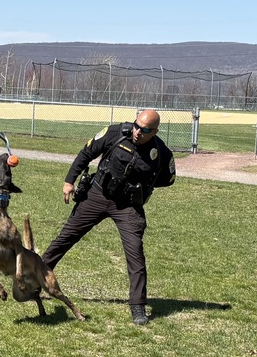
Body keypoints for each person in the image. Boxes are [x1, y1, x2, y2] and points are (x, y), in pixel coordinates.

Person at [42, 109, 176, 326]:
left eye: (144, 130)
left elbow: (168, 178)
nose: (137, 132)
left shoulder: (161, 153)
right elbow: (86, 153)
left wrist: (140, 188)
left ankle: (138, 306)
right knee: (65, 238)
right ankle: (35, 279)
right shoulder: (116, 133)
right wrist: (69, 181)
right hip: (97, 194)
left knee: (135, 253)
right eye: (136, 126)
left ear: (155, 131)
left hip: (127, 206)